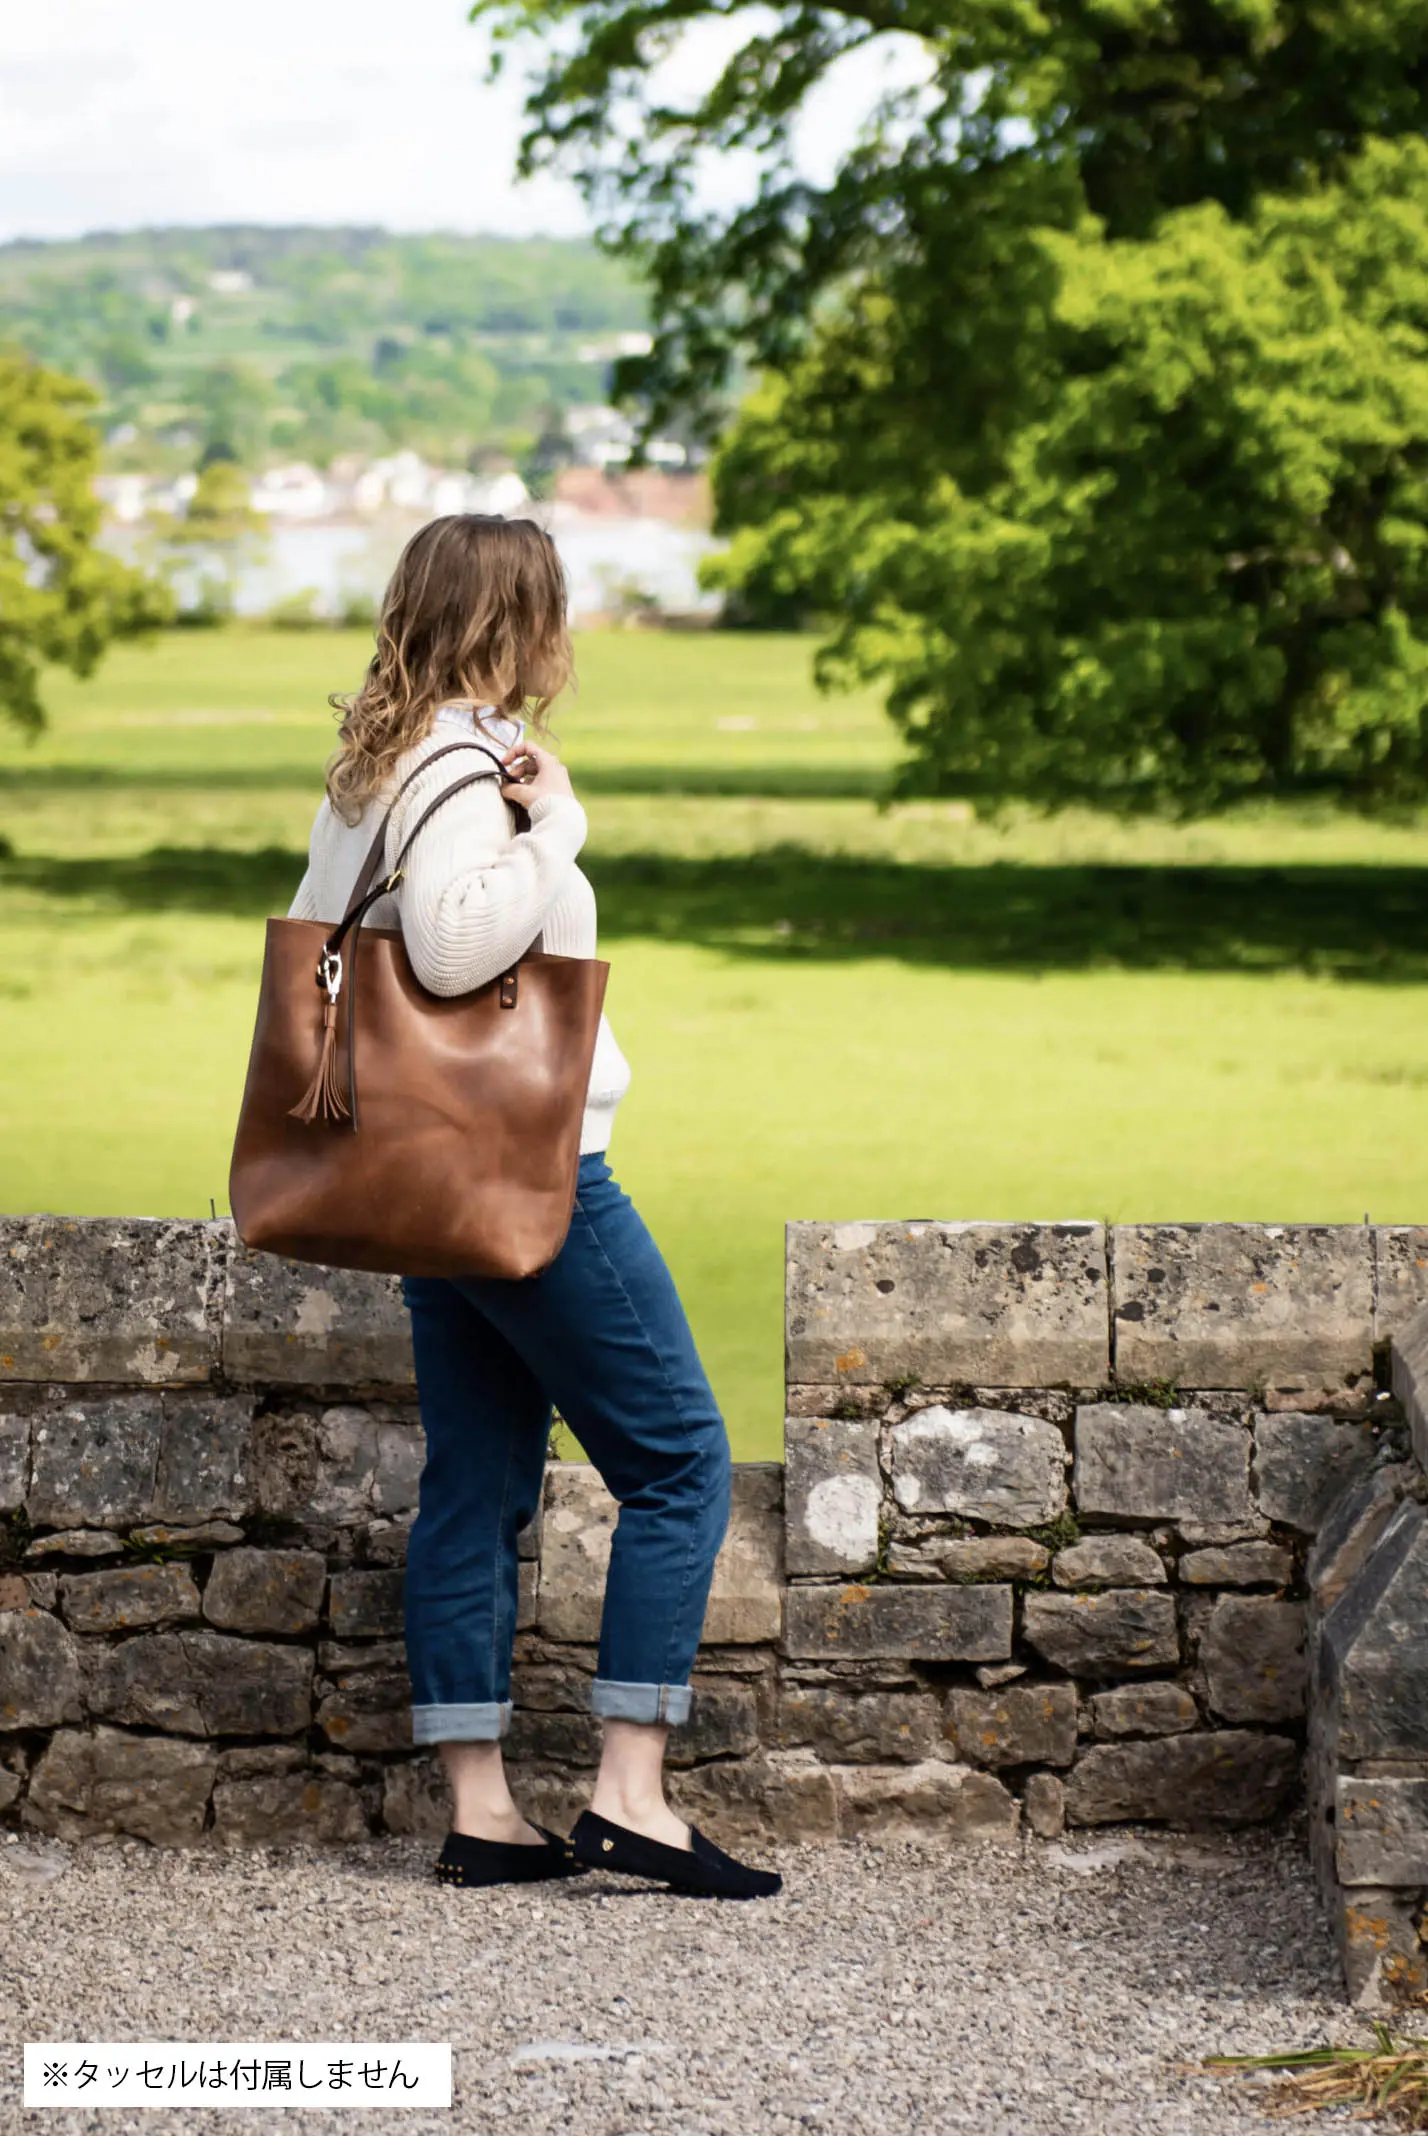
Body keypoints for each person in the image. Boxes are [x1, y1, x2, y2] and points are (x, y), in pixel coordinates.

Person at [287, 513, 781, 1900]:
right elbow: (448, 945)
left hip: (415, 1177)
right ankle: (630, 1795)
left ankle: (484, 1809)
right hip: (523, 1170)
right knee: (682, 1458)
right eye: (556, 609)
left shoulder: (370, 771)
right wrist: (557, 822)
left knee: (480, 1482)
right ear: (518, 623)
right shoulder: (465, 770)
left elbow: (332, 947)